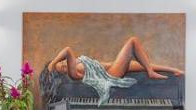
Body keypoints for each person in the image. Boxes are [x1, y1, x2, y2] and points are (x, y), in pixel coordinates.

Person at [46, 36, 184, 106]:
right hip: (110, 75)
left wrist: (55, 62)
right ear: (65, 73)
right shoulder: (73, 73)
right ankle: (151, 73)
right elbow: (67, 50)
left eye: (62, 63)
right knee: (133, 42)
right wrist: (53, 63)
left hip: (112, 67)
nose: (64, 64)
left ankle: (173, 70)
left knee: (143, 64)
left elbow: (68, 54)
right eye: (62, 68)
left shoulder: (78, 62)